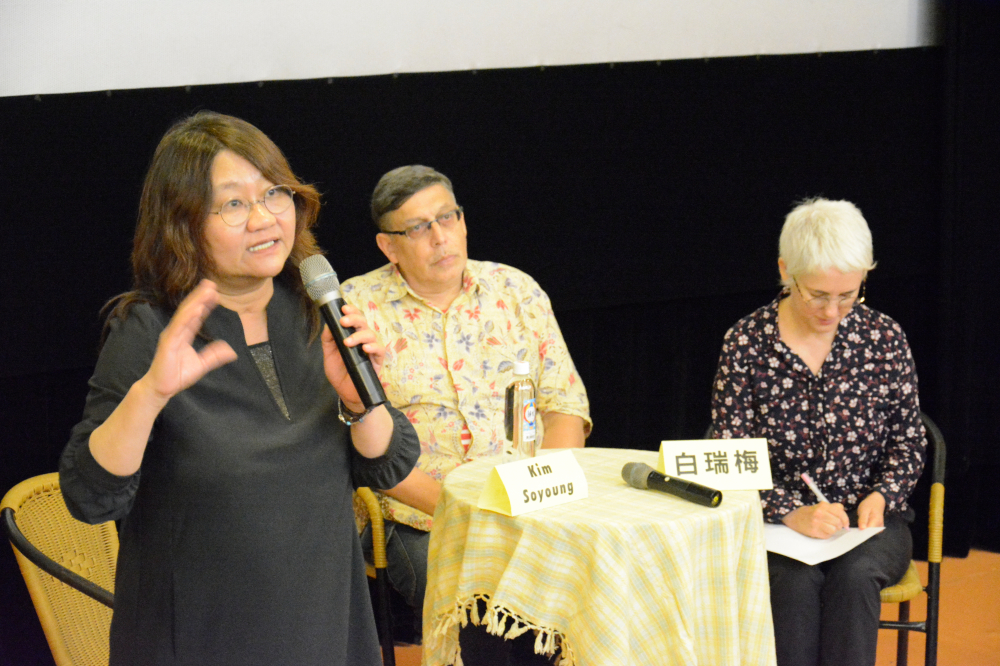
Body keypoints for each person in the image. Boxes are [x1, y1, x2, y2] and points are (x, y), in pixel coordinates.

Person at [58, 111, 419, 666]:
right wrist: (149, 395)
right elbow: (88, 493)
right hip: (199, 635)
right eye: (233, 204)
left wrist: (358, 402)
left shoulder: (316, 309)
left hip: (324, 623)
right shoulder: (150, 330)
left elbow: (386, 465)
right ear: (182, 222)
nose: (263, 218)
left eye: (274, 193)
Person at [341, 165, 591, 661]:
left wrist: (545, 487)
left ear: (463, 220)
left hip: (527, 499)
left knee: (586, 578)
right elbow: (355, 443)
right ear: (388, 247)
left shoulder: (515, 290)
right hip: (417, 513)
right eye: (417, 228)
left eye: (447, 217)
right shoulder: (355, 308)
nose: (440, 237)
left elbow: (562, 405)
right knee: (489, 608)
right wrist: (465, 510)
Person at [709, 198, 926, 666]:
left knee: (855, 577)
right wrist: (789, 511)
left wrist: (883, 495)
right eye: (817, 295)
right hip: (776, 524)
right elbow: (729, 456)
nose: (832, 310)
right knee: (792, 583)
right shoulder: (746, 343)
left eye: (849, 295)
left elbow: (909, 440)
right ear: (785, 271)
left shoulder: (883, 338)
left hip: (869, 522)